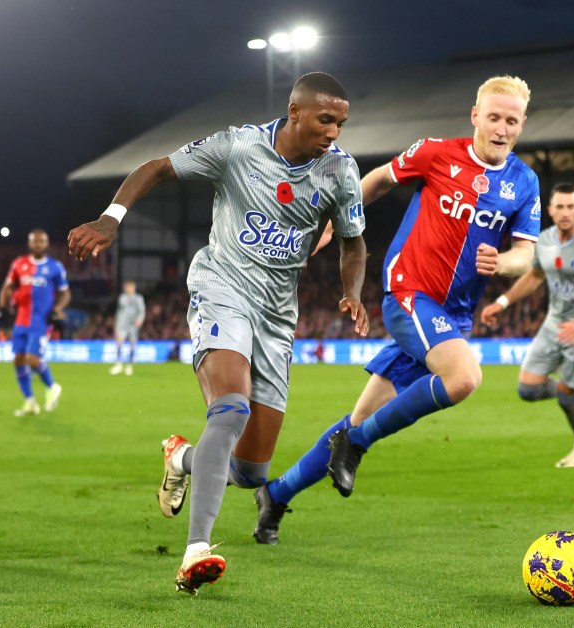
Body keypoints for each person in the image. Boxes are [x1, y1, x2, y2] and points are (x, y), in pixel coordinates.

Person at [67, 72, 369, 596]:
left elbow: (353, 242)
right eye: (326, 120)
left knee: (252, 472)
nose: (334, 133)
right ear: (295, 112)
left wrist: (353, 291)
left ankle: (181, 457)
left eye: (341, 123)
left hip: (277, 316)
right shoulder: (237, 146)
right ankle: (195, 552)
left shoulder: (340, 172)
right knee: (231, 408)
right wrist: (111, 217)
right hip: (221, 288)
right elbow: (157, 168)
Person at [252, 75, 540, 545]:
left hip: (453, 315)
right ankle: (357, 446)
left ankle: (277, 494)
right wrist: (334, 222)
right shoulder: (436, 152)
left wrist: (503, 262)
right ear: (475, 117)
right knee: (464, 377)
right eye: (493, 117)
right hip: (409, 294)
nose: (501, 127)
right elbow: (380, 180)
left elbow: (527, 253)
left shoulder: (525, 182)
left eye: (511, 120)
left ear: (522, 124)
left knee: (358, 419)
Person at [480, 183, 574, 468]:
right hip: (555, 323)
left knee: (566, 398)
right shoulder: (543, 241)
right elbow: (534, 277)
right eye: (559, 206)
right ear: (550, 210)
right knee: (527, 390)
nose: (565, 212)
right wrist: (503, 302)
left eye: (571, 206)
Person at [0, 229, 70, 416]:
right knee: (18, 360)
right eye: (34, 241)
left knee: (32, 359)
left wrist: (57, 309)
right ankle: (30, 402)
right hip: (21, 320)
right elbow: (7, 287)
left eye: (42, 241)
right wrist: (2, 307)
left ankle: (53, 386)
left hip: (40, 321)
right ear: (29, 244)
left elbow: (65, 294)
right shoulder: (18, 264)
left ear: (47, 244)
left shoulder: (55, 267)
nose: (38, 244)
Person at [109, 280, 146, 376]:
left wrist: (140, 320)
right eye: (127, 287)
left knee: (132, 344)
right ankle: (119, 364)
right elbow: (119, 311)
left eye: (130, 287)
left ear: (133, 288)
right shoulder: (122, 298)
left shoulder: (139, 298)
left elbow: (142, 311)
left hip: (133, 324)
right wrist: (117, 324)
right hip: (122, 324)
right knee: (119, 342)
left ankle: (129, 366)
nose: (128, 289)